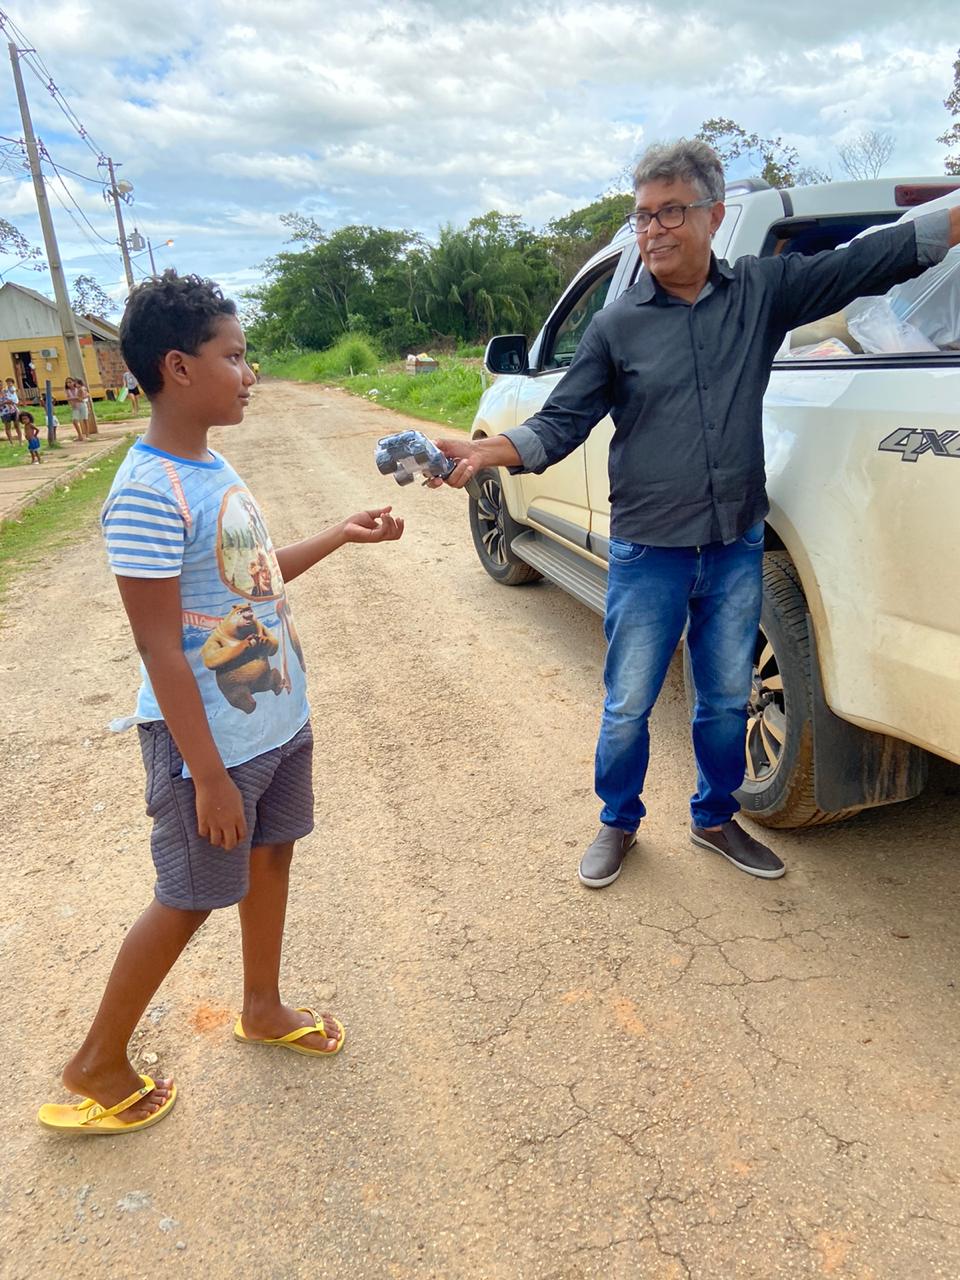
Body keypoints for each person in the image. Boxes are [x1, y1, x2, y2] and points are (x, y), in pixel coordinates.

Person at [433, 139, 960, 889]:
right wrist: (488, 451)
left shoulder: (760, 293)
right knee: (628, 703)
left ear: (713, 216)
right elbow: (561, 421)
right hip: (649, 550)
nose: (652, 231)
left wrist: (949, 223)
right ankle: (618, 822)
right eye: (643, 216)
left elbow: (871, 259)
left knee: (723, 700)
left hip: (735, 544)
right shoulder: (617, 325)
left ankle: (714, 818)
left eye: (670, 212)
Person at [37, 270, 405, 1134]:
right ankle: (96, 1063)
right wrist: (205, 776)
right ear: (178, 367)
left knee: (273, 857)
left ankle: (262, 1006)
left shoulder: (210, 462)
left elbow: (254, 575)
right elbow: (160, 647)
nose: (250, 373)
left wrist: (339, 535)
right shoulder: (146, 492)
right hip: (208, 745)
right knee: (191, 894)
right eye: (234, 356)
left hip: (272, 717)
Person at [65, 377, 89, 441]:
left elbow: (86, 395)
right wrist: (76, 398)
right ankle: (80, 435)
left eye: (70, 382)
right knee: (74, 421)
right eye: (67, 382)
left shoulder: (78, 388)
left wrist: (79, 398)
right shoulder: (67, 390)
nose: (68, 384)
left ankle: (87, 434)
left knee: (85, 419)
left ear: (74, 382)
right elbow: (68, 398)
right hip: (74, 407)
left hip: (82, 405)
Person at [1, 377, 22, 444]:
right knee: (8, 427)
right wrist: (5, 403)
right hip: (4, 412)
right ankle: (11, 443)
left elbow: (14, 397)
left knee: (17, 425)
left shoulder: (6, 390)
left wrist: (13, 402)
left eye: (1, 384)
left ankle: (20, 441)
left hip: (13, 409)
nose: (0, 386)